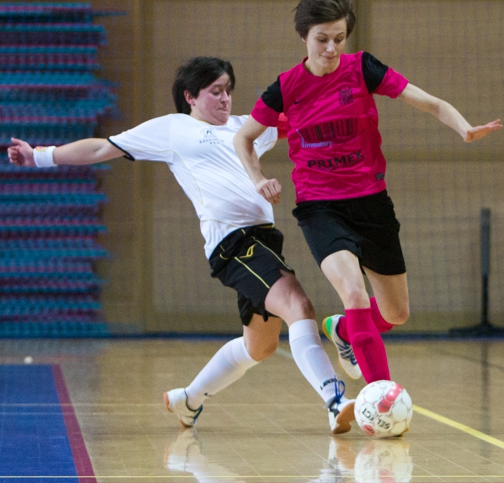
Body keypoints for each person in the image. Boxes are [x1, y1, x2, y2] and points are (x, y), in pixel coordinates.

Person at [7, 56, 356, 433]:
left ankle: (188, 400)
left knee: (260, 346)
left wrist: (339, 94)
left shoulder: (245, 128)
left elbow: (301, 119)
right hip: (234, 242)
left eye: (228, 91)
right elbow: (100, 149)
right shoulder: (174, 129)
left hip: (264, 240)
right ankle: (336, 401)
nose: (225, 99)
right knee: (298, 305)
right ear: (190, 96)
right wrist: (40, 156)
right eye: (215, 91)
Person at [233, 0, 502, 384]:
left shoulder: (362, 69)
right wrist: (257, 178)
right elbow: (244, 138)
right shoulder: (286, 88)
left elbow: (430, 102)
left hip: (371, 204)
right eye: (322, 39)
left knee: (396, 314)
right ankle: (382, 396)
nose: (330, 48)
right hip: (320, 207)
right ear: (303, 38)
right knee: (355, 294)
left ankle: (343, 331)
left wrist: (463, 127)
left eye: (338, 39)